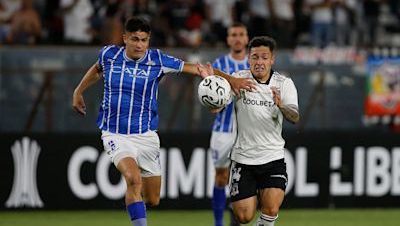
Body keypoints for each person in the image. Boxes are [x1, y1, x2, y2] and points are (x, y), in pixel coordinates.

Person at [72, 16, 254, 226]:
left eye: (144, 40)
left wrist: (231, 80)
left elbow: (196, 68)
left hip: (146, 135)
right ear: (125, 38)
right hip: (115, 134)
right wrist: (78, 91)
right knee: (133, 179)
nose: (139, 45)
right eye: (135, 39)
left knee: (153, 199)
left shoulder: (157, 60)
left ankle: (136, 199)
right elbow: (97, 69)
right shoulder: (109, 54)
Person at [201, 36, 299, 226]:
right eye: (255, 57)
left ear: (272, 59)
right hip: (243, 159)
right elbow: (216, 108)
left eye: (264, 57)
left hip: (272, 158)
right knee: (244, 217)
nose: (259, 62)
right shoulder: (239, 79)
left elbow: (294, 117)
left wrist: (282, 106)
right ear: (248, 58)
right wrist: (211, 92)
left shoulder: (284, 83)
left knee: (271, 209)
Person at [209, 22, 249, 226]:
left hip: (247, 133)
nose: (237, 38)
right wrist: (215, 104)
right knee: (221, 178)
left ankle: (236, 222)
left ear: (247, 38)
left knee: (243, 178)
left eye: (241, 34)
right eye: (233, 34)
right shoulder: (219, 65)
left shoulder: (254, 65)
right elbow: (210, 102)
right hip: (222, 131)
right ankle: (218, 223)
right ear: (228, 39)